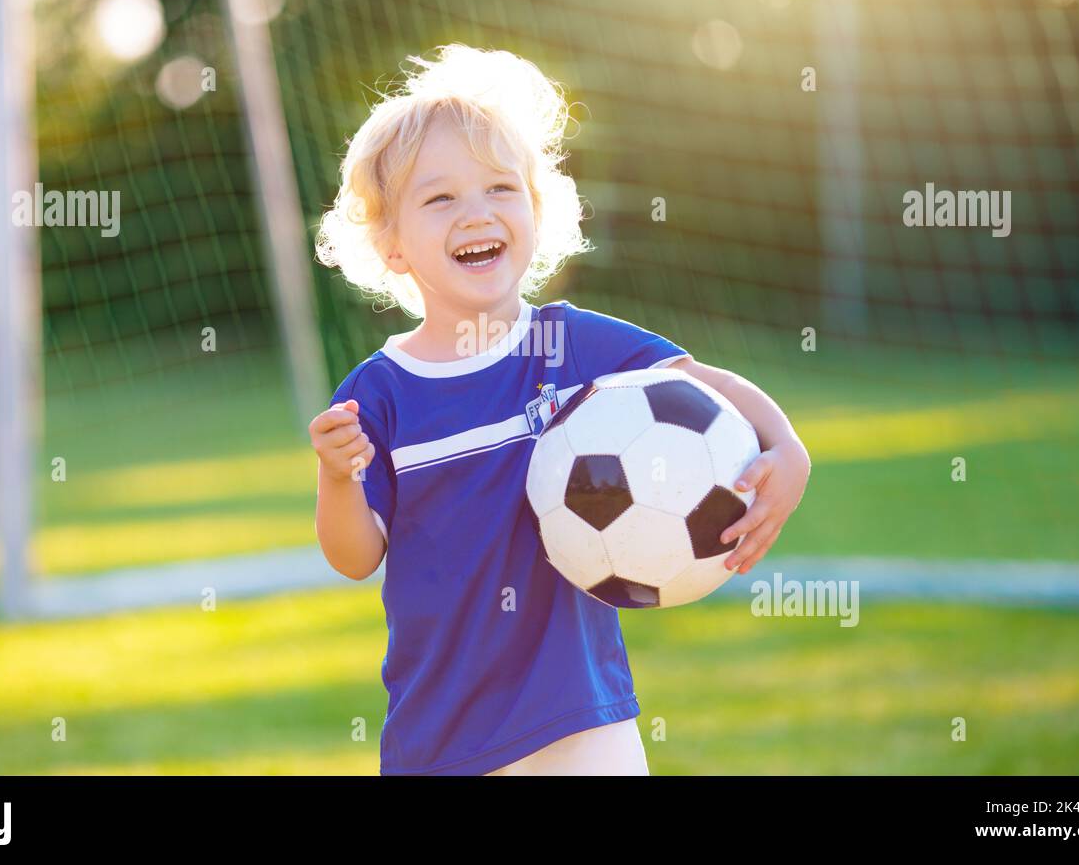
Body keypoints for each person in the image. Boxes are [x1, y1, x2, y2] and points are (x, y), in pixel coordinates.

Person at [308, 44, 811, 775]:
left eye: (500, 189)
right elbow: (354, 559)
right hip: (439, 735)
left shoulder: (568, 344)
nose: (476, 213)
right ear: (390, 244)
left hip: (581, 720)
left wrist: (786, 448)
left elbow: (706, 385)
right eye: (440, 198)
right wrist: (336, 477)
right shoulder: (379, 393)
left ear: (537, 212)